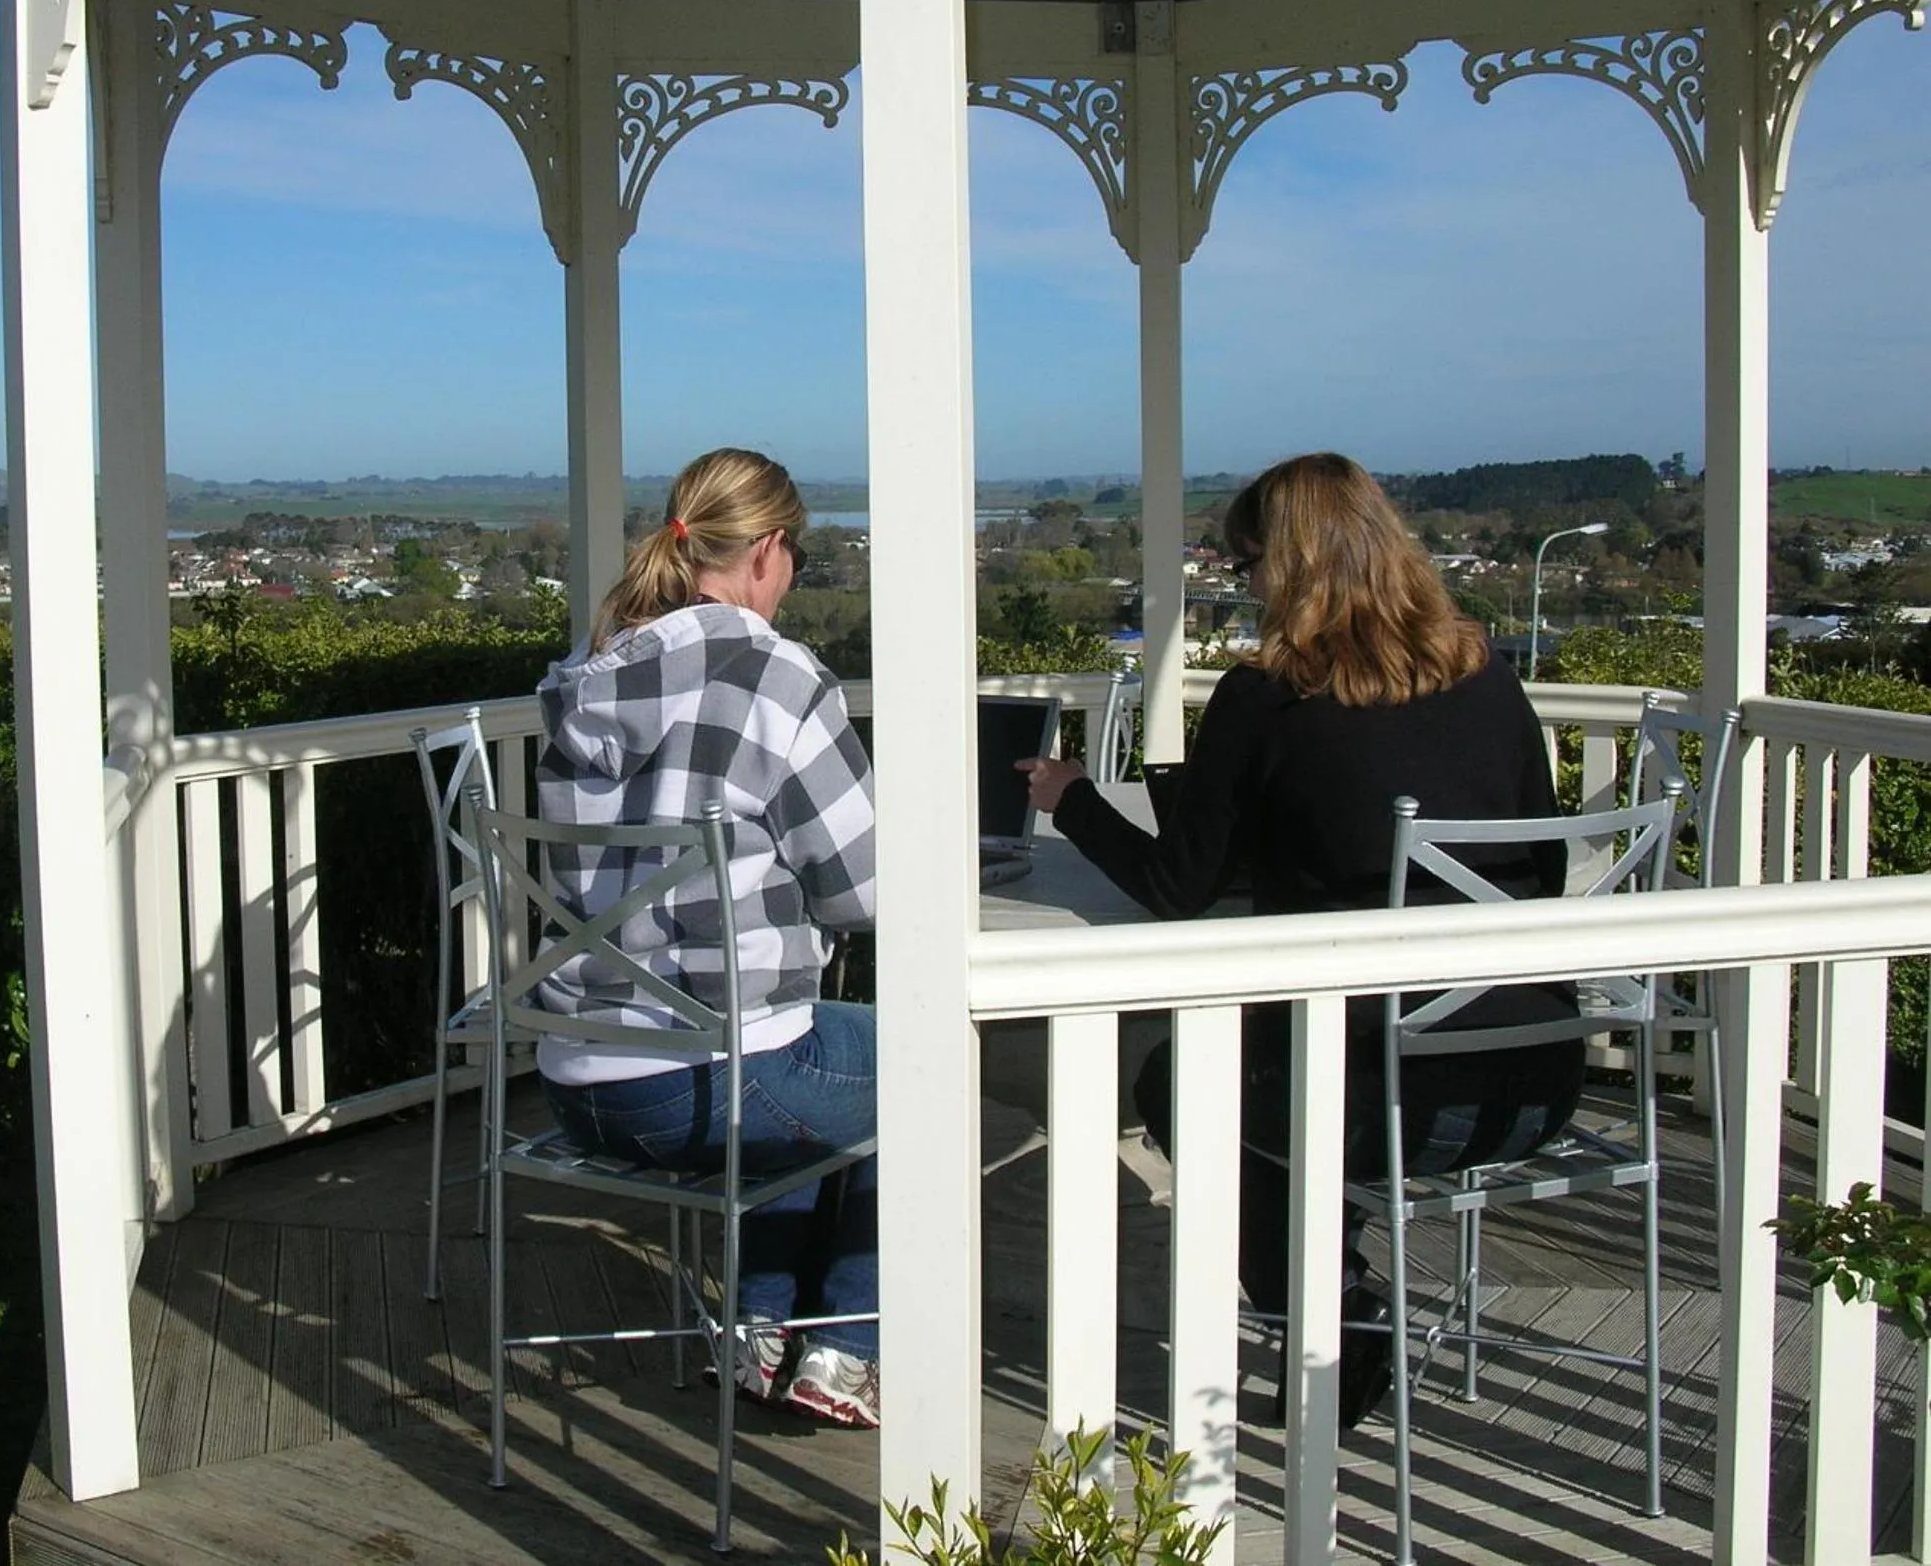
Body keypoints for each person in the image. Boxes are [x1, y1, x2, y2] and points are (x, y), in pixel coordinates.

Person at [1018, 451, 1579, 1429]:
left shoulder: (1265, 696)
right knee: (1280, 1079)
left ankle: (1333, 1306)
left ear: (1285, 567)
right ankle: (1333, 1270)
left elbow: (1175, 886)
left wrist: (1071, 801)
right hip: (1532, 1081)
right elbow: (1543, 866)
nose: (1241, 588)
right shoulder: (1487, 673)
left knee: (1181, 1080)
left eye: (1244, 567)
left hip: (1388, 1104)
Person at [531, 447, 881, 1428]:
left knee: (801, 1055)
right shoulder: (778, 678)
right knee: (918, 1063)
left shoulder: (589, 677)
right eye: (796, 553)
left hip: (573, 1085)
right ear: (769, 550)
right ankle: (847, 1352)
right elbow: (860, 894)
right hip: (706, 1083)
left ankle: (762, 1331)